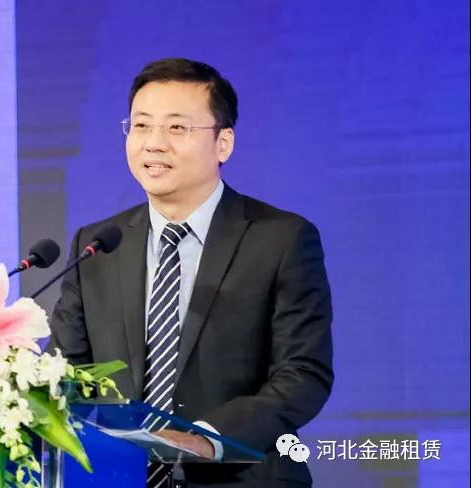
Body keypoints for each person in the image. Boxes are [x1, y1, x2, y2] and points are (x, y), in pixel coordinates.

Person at [48, 58, 333, 487]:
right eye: (141, 126)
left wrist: (205, 439)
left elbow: (303, 374)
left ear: (223, 143)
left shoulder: (281, 238)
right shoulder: (98, 245)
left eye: (176, 127)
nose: (153, 143)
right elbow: (65, 372)